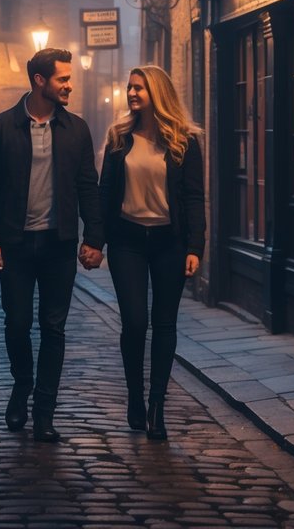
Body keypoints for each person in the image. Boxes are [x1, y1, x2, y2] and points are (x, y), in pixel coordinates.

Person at [0, 48, 105, 443]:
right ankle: (22, 384)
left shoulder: (77, 130)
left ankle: (44, 411)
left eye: (69, 79)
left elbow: (88, 186)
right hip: (15, 245)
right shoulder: (1, 127)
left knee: (54, 328)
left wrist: (94, 239)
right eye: (63, 79)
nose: (70, 85)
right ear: (39, 81)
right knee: (16, 324)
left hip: (57, 245)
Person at [98, 65, 205, 441]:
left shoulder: (184, 141)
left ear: (157, 93)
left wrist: (195, 246)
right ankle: (134, 396)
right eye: (129, 88)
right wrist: (95, 240)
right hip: (127, 240)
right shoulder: (119, 137)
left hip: (168, 242)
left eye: (139, 88)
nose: (131, 94)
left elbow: (193, 197)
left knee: (165, 324)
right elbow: (104, 192)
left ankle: (157, 405)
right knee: (134, 322)